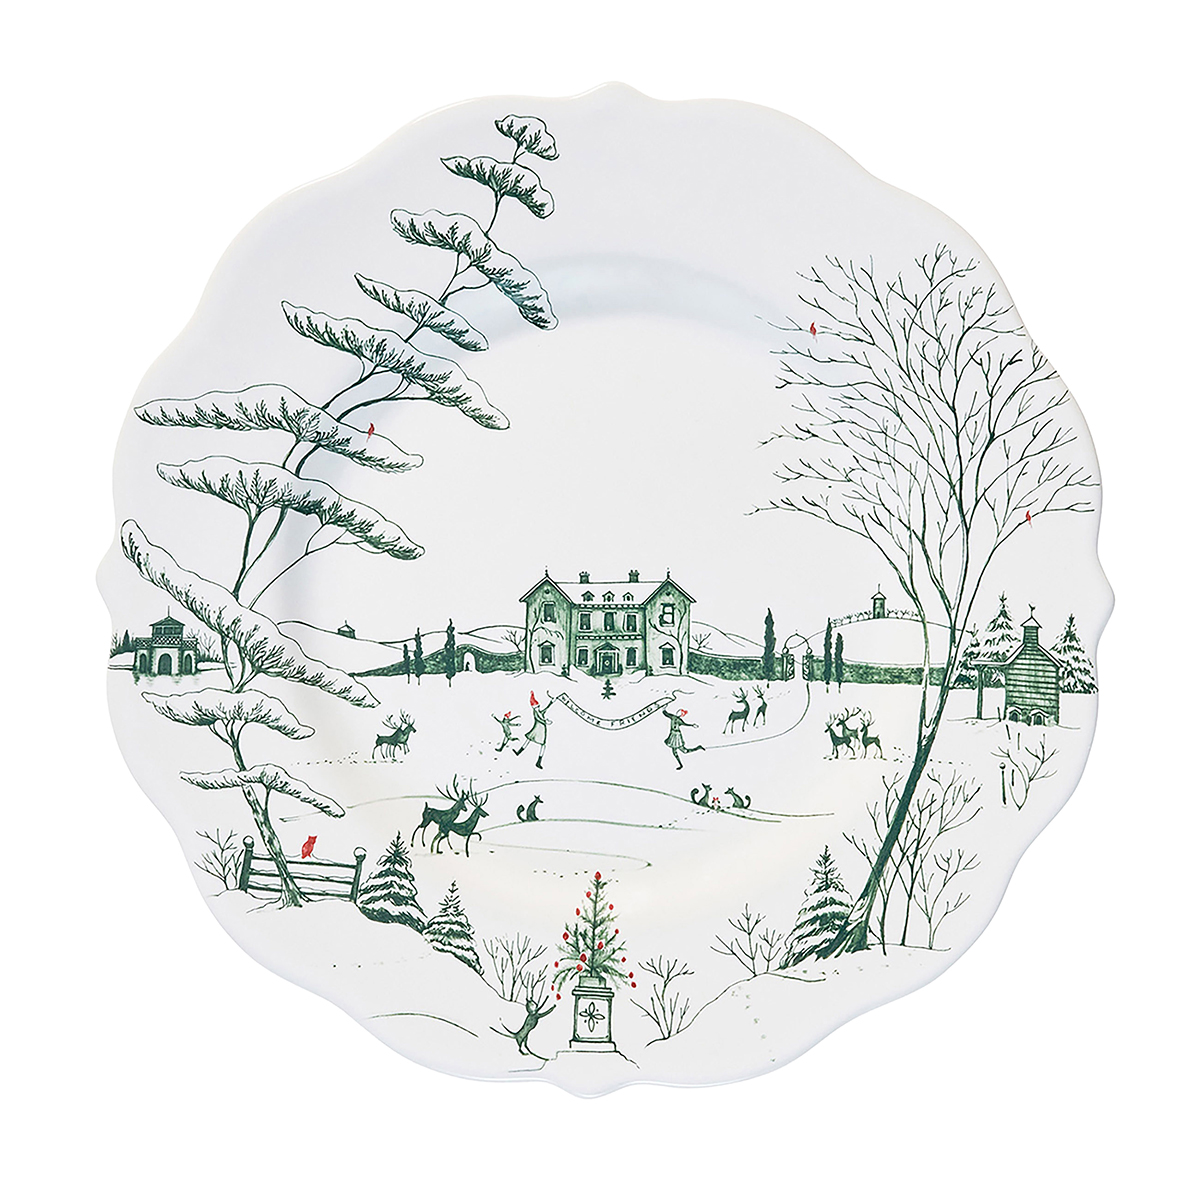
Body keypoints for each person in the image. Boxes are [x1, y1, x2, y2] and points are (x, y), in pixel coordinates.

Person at [513, 691, 554, 769]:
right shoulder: (536, 713)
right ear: (534, 707)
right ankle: (521, 753)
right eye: (537, 707)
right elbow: (539, 719)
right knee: (537, 742)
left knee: (533, 741)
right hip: (538, 730)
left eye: (538, 706)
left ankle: (537, 761)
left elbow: (546, 709)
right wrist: (546, 721)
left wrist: (551, 702)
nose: (538, 708)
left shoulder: (539, 712)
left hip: (541, 730)